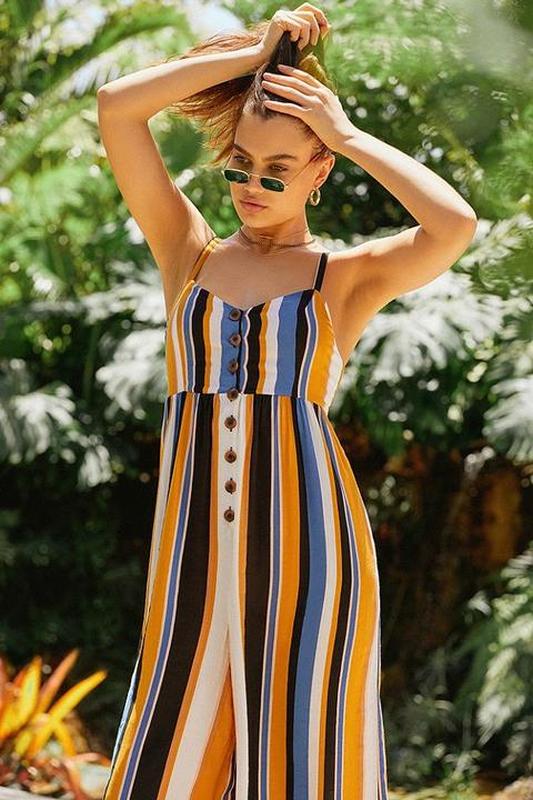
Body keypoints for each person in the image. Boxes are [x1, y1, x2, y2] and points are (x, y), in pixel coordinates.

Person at [97, 4, 477, 798]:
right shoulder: (188, 253)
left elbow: (453, 225)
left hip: (312, 552)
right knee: (166, 753)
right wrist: (254, 58)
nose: (252, 187)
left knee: (304, 755)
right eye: (239, 166)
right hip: (191, 550)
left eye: (277, 171)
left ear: (317, 171)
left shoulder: (344, 277)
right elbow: (118, 106)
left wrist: (348, 134)